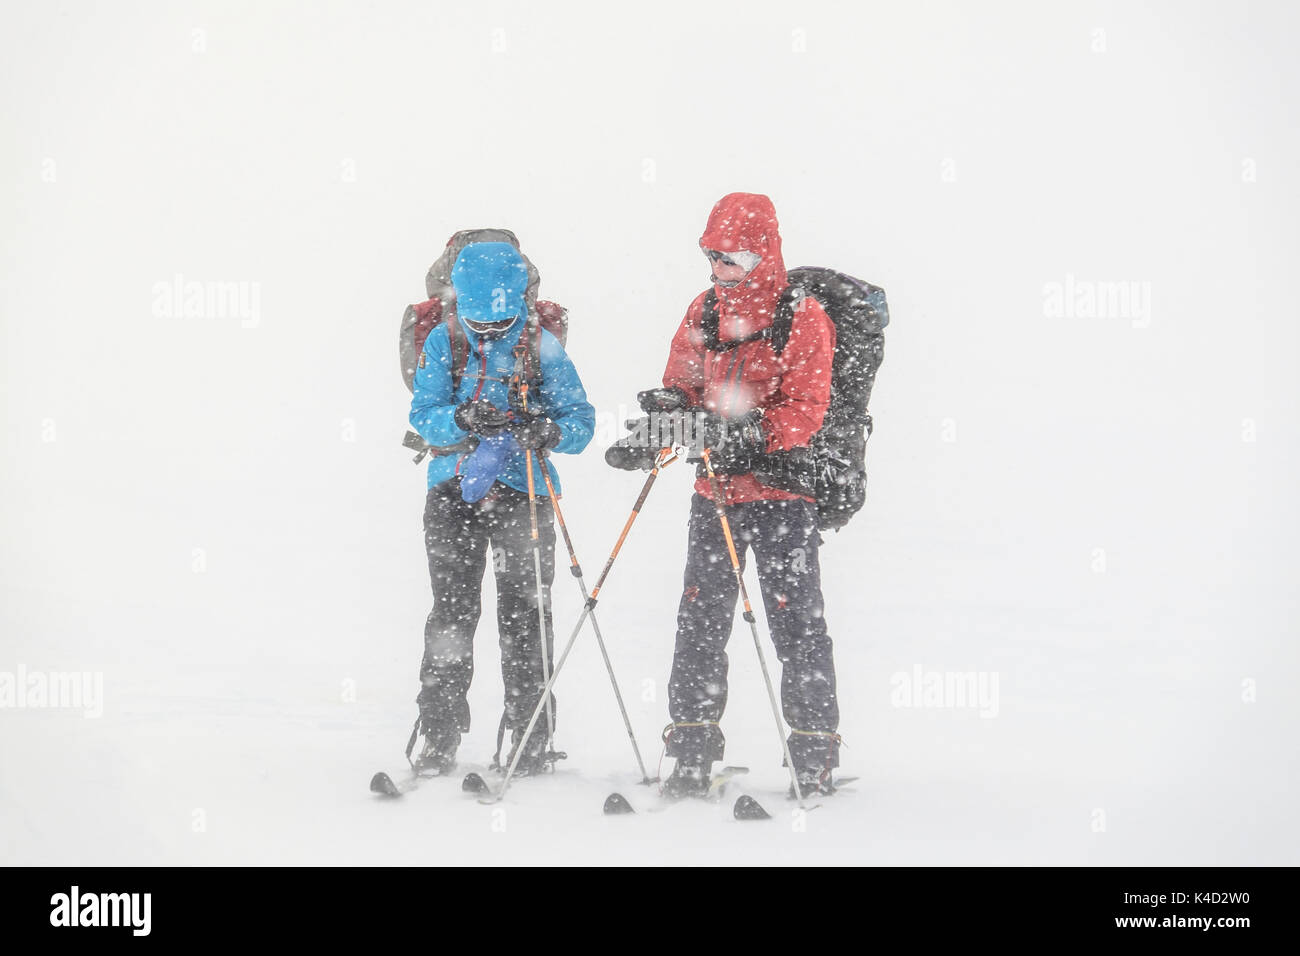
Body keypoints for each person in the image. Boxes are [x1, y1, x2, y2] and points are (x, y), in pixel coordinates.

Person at [623, 192, 842, 798]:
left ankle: (814, 755)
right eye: (713, 257)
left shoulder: (803, 316)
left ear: (764, 254)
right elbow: (684, 381)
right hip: (714, 491)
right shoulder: (705, 309)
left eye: (733, 258)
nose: (720, 270)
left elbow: (807, 407)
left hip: (783, 496)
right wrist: (673, 411)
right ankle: (690, 749)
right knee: (700, 618)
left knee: (796, 624)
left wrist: (755, 437)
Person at [408, 241, 595, 776]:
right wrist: (464, 419)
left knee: (526, 616)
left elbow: (580, 421)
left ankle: (531, 733)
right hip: (453, 489)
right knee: (452, 613)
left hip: (526, 491)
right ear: (459, 306)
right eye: (476, 323)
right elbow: (424, 414)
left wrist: (550, 429)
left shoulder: (543, 347)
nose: (488, 334)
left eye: (501, 322)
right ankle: (438, 731)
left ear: (520, 304)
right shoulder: (445, 341)